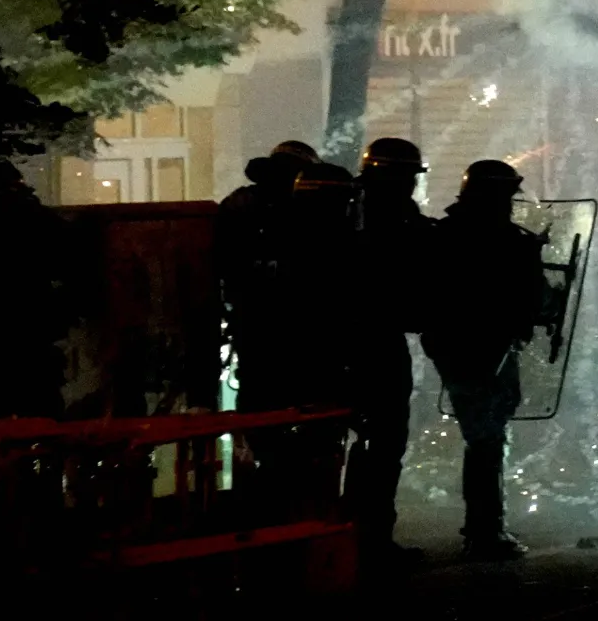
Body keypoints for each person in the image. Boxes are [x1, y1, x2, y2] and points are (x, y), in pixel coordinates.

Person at [421, 160, 546, 561]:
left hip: (457, 349)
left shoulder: (443, 235)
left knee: (485, 437)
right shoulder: (505, 242)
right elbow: (530, 299)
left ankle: (486, 526)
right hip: (484, 350)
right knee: (487, 439)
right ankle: (485, 530)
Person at [216, 140, 338, 520]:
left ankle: (258, 512)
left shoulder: (241, 204)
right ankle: (297, 515)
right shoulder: (311, 210)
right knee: (305, 428)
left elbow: (219, 267)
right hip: (304, 340)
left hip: (254, 332)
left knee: (260, 423)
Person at [344, 138, 434, 572]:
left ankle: (337, 536)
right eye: (408, 176)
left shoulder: (346, 210)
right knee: (383, 445)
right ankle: (371, 540)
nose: (411, 186)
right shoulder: (391, 219)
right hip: (375, 343)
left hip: (333, 342)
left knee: (343, 445)